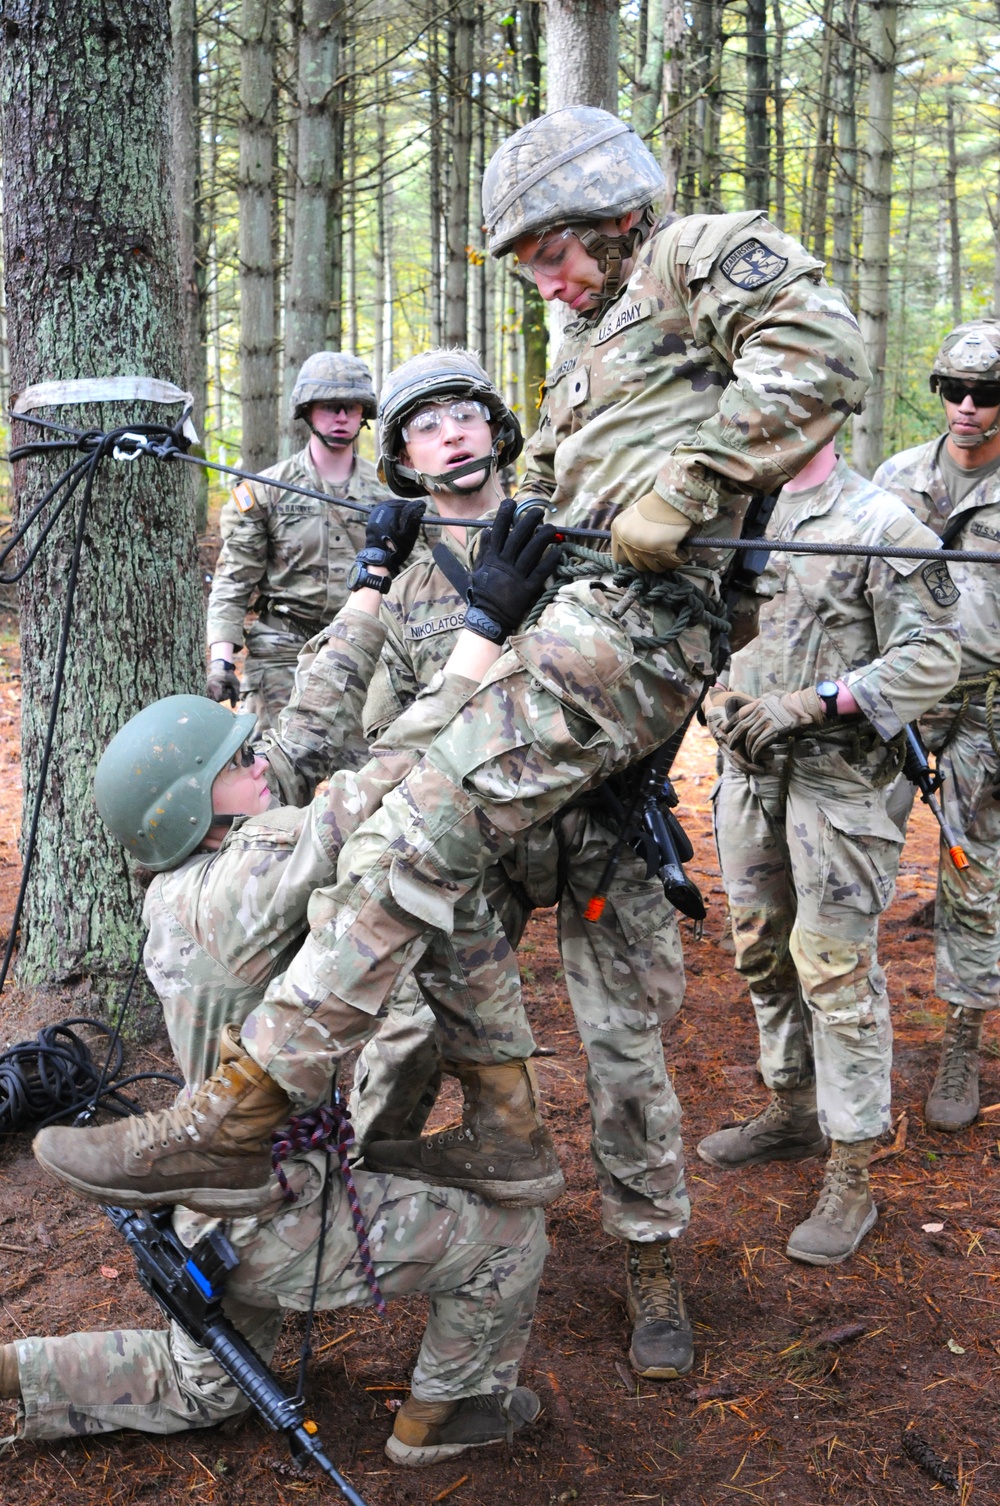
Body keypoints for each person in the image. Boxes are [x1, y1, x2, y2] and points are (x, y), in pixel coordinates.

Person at [34, 109, 870, 1291]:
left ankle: (244, 1115)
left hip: (618, 659)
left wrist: (693, 487)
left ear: (613, 213)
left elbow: (824, 355)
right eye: (529, 266)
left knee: (473, 887)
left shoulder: (691, 255)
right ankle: (419, 1120)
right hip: (577, 662)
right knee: (408, 841)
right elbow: (351, 701)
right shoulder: (585, 360)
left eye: (551, 255)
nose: (547, 284)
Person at [10, 691, 546, 1465]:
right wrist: (478, 652)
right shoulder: (249, 882)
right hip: (281, 1211)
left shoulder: (173, 893)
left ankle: (13, 1370)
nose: (260, 764)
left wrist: (365, 597)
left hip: (208, 1209)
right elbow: (382, 792)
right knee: (511, 1235)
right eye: (236, 763)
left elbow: (310, 752)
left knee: (204, 1390)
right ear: (190, 806)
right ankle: (445, 1416)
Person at [345, 348, 694, 1380]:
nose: (450, 433)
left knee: (626, 1055)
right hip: (476, 842)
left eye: (464, 413)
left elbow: (658, 664)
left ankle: (651, 1260)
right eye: (423, 424)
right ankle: (354, 1216)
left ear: (497, 429)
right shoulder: (408, 582)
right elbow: (385, 738)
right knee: (405, 1041)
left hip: (598, 828)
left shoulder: (580, 540)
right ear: (404, 459)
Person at [694, 441, 960, 1265]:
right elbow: (698, 628)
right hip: (747, 779)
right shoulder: (730, 514)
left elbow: (934, 657)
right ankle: (791, 1108)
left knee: (836, 971)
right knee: (762, 953)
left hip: (838, 788)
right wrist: (713, 697)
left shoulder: (884, 523)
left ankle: (851, 1168)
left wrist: (817, 701)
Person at [874, 318, 1000, 1132]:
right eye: (951, 390)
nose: (964, 406)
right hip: (898, 702)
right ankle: (846, 1034)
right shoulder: (892, 480)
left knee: (974, 875)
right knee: (849, 857)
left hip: (986, 704)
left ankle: (962, 1038)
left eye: (984, 394)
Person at [205, 351, 383, 744]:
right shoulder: (267, 491)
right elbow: (234, 579)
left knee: (369, 787)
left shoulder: (387, 494)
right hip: (282, 650)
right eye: (329, 407)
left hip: (360, 650)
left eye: (351, 408)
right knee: (268, 781)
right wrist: (221, 662)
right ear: (307, 411)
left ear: (363, 414)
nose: (341, 417)